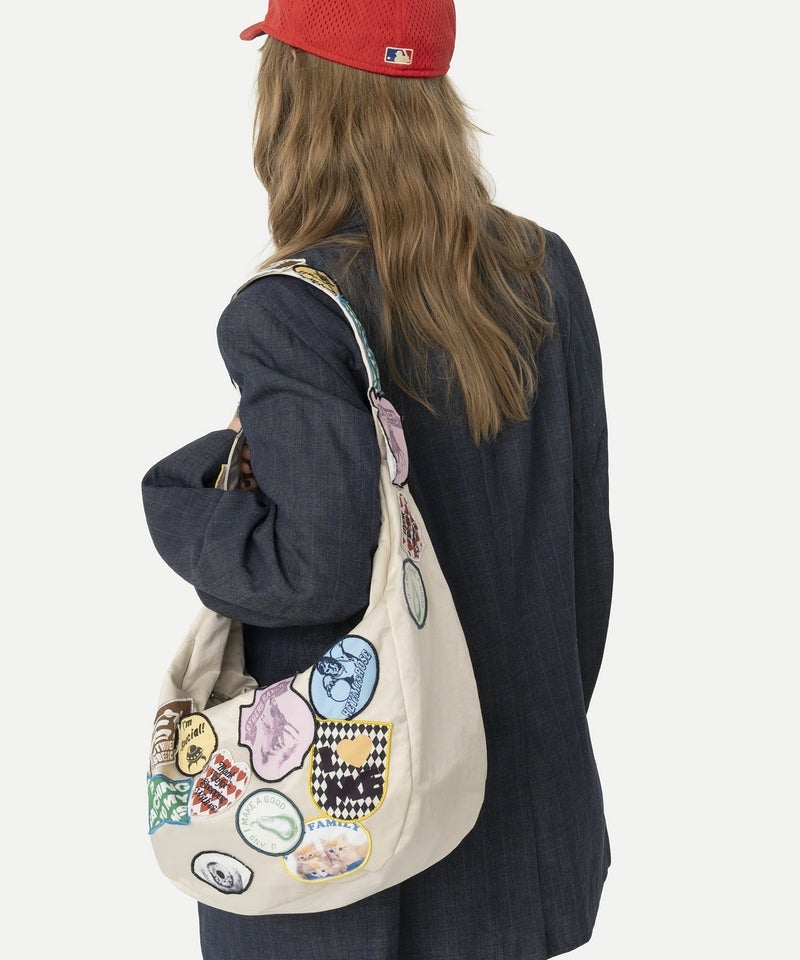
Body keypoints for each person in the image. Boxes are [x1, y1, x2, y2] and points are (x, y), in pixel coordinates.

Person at [141, 1, 614, 958]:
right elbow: (584, 564)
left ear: (294, 100)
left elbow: (310, 571)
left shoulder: (289, 312)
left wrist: (180, 500)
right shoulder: (541, 271)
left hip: (347, 881)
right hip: (521, 848)